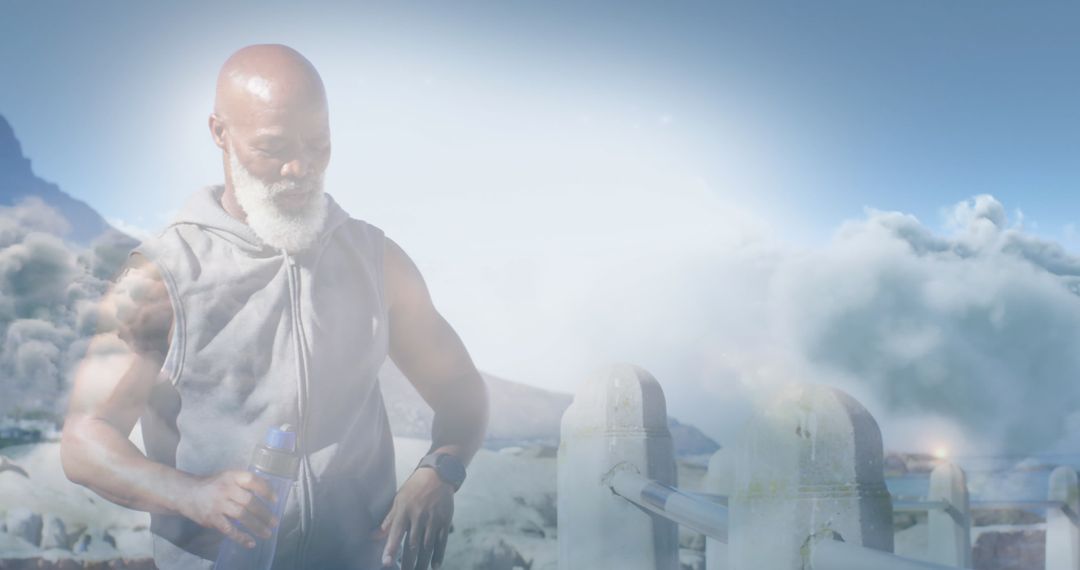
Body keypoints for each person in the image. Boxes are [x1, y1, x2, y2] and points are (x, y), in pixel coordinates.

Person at [60, 44, 489, 570]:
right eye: (273, 147)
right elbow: (85, 440)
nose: (299, 167)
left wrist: (440, 472)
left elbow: (461, 388)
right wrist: (191, 494)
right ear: (220, 132)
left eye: (318, 144)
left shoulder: (378, 260)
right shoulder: (160, 276)